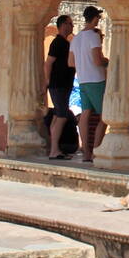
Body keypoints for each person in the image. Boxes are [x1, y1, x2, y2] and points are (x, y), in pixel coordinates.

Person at [72, 5, 109, 161]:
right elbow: (96, 59)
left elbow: (70, 62)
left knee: (85, 115)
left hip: (83, 79)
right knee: (104, 116)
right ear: (95, 18)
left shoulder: (76, 37)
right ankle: (95, 149)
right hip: (96, 79)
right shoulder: (93, 36)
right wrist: (106, 61)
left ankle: (86, 151)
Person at [44, 14, 75, 160]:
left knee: (57, 115)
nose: (72, 26)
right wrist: (48, 80)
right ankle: (54, 150)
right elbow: (49, 62)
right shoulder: (58, 43)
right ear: (63, 25)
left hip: (62, 85)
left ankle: (54, 149)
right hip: (59, 85)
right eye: (70, 23)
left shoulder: (63, 42)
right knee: (62, 116)